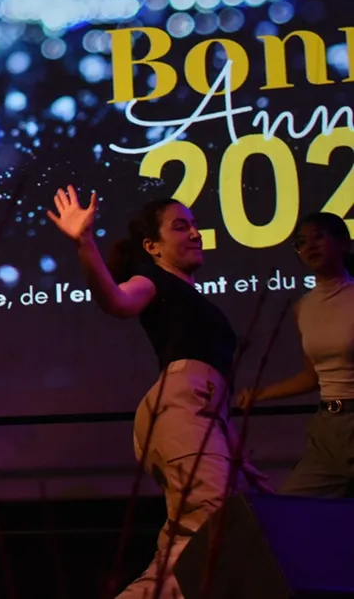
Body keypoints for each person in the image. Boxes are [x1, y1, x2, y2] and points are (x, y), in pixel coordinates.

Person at [47, 187, 267, 599]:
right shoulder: (151, 281)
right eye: (180, 226)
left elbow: (209, 393)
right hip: (180, 408)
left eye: (195, 225)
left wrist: (232, 450)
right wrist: (84, 243)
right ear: (153, 246)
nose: (195, 233)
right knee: (213, 532)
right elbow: (115, 301)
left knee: (187, 549)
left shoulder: (187, 293)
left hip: (198, 415)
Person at [235, 211, 354, 498]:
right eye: (301, 242)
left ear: (343, 244)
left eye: (319, 237)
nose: (309, 246)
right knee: (294, 506)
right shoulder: (303, 307)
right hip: (327, 426)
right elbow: (311, 377)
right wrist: (260, 394)